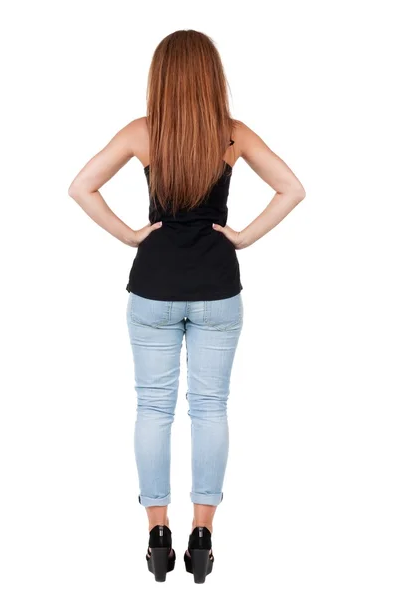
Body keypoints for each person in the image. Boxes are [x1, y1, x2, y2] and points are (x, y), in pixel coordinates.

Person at [68, 29, 306, 584]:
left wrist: (130, 235)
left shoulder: (141, 133)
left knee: (154, 409)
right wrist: (242, 237)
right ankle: (203, 536)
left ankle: (157, 534)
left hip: (152, 287)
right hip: (218, 290)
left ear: (160, 77)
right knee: (210, 407)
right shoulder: (233, 134)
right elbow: (291, 188)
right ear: (211, 78)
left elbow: (82, 187)